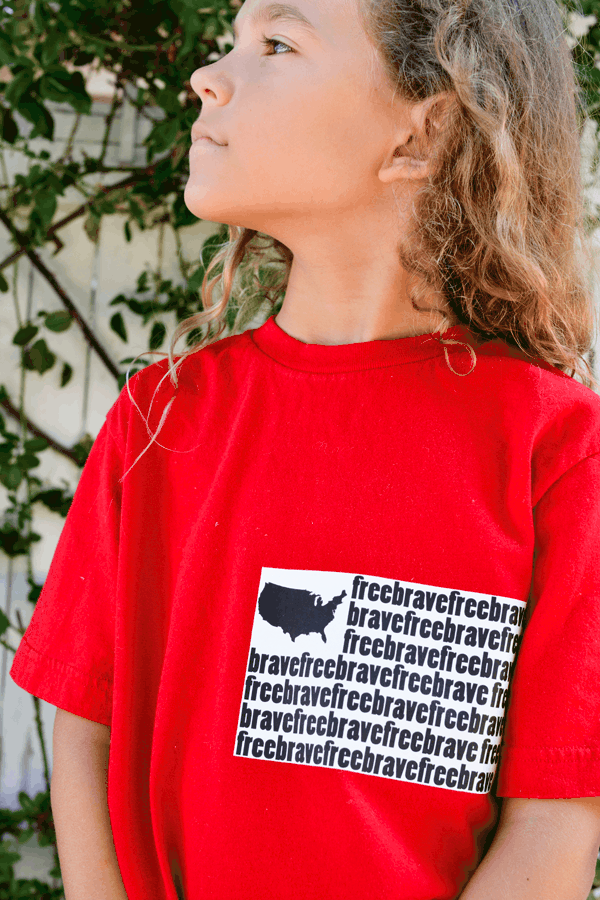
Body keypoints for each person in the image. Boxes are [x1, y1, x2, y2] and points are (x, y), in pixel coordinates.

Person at [10, 0, 600, 897]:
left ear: (424, 133)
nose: (208, 74)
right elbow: (85, 728)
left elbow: (559, 811)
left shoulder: (557, 448)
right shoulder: (159, 419)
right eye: (232, 40)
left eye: (277, 43)